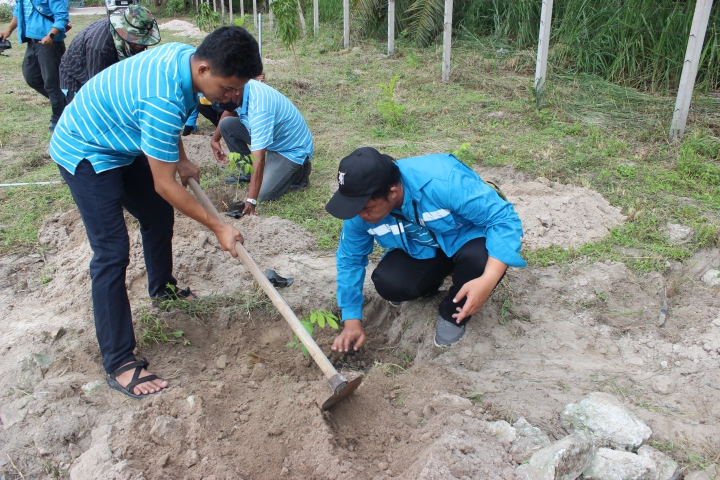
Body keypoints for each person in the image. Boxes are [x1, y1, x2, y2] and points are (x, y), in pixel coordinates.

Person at [49, 27, 263, 399]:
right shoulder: (161, 96)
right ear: (204, 69)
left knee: (158, 214)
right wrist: (218, 226)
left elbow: (168, 119)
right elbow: (165, 183)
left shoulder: (185, 59)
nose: (232, 97)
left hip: (122, 140)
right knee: (112, 252)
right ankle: (119, 362)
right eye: (228, 88)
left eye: (238, 89)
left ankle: (162, 290)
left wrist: (181, 158)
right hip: (85, 150)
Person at [325, 147, 525, 351]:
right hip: (423, 247)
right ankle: (432, 283)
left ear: (392, 192)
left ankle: (453, 314)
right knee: (389, 283)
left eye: (367, 208)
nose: (360, 215)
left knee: (478, 261)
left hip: (467, 239)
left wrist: (488, 280)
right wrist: (351, 320)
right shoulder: (359, 212)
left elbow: (504, 220)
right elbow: (350, 259)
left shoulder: (443, 182)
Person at [210, 79, 313, 215]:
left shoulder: (260, 108)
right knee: (226, 125)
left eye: (223, 98)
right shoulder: (239, 88)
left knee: (263, 193)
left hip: (290, 148)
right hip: (273, 137)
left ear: (236, 91)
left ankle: (299, 175)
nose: (221, 102)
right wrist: (215, 139)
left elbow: (259, 158)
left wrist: (251, 201)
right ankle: (248, 173)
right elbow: (230, 110)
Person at [59, 5, 161, 100]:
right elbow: (97, 88)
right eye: (138, 42)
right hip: (78, 81)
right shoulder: (100, 47)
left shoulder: (124, 40)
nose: (141, 46)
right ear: (125, 33)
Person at [0, 0, 69, 131]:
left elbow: (62, 17)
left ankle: (58, 119)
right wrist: (8, 30)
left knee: (52, 83)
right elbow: (18, 12)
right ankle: (66, 103)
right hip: (32, 42)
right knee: (31, 78)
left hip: (49, 44)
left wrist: (51, 35)